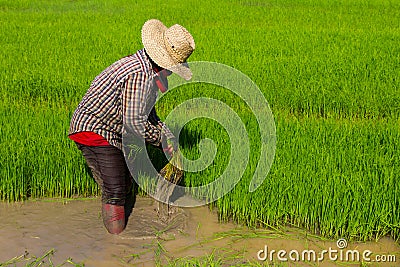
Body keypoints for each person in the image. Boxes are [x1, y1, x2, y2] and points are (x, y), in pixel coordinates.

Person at [68, 19, 195, 234]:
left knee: (126, 184)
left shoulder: (150, 71)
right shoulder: (140, 75)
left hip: (113, 131)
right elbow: (134, 124)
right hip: (95, 130)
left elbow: (147, 115)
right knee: (116, 190)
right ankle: (117, 247)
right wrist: (163, 142)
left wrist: (168, 136)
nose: (173, 73)